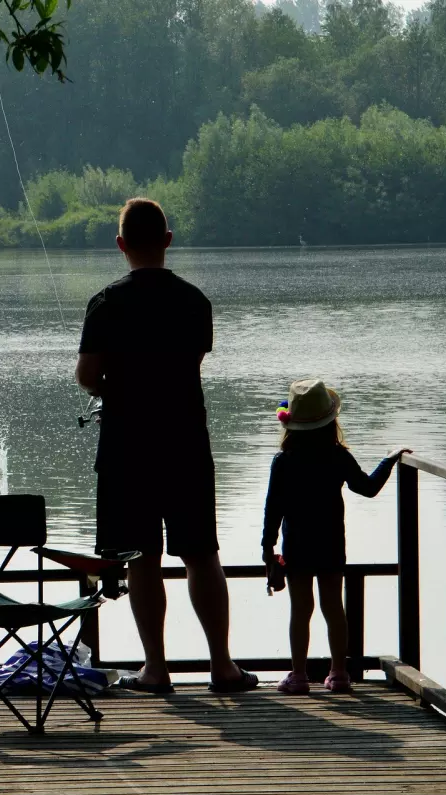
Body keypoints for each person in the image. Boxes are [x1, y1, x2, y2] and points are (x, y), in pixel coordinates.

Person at [75, 198, 256, 695]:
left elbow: (89, 376)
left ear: (120, 245)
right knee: (201, 554)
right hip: (185, 443)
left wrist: (113, 385)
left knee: (142, 558)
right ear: (168, 240)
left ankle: (156, 670)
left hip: (127, 448)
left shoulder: (106, 302)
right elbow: (190, 363)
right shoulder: (195, 301)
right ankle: (223, 666)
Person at [262, 378, 410, 694]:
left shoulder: (283, 460)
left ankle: (299, 675)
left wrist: (267, 547)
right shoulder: (337, 455)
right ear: (331, 421)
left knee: (300, 611)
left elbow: (272, 509)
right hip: (331, 543)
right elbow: (367, 488)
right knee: (333, 608)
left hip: (297, 546)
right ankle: (339, 673)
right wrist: (389, 459)